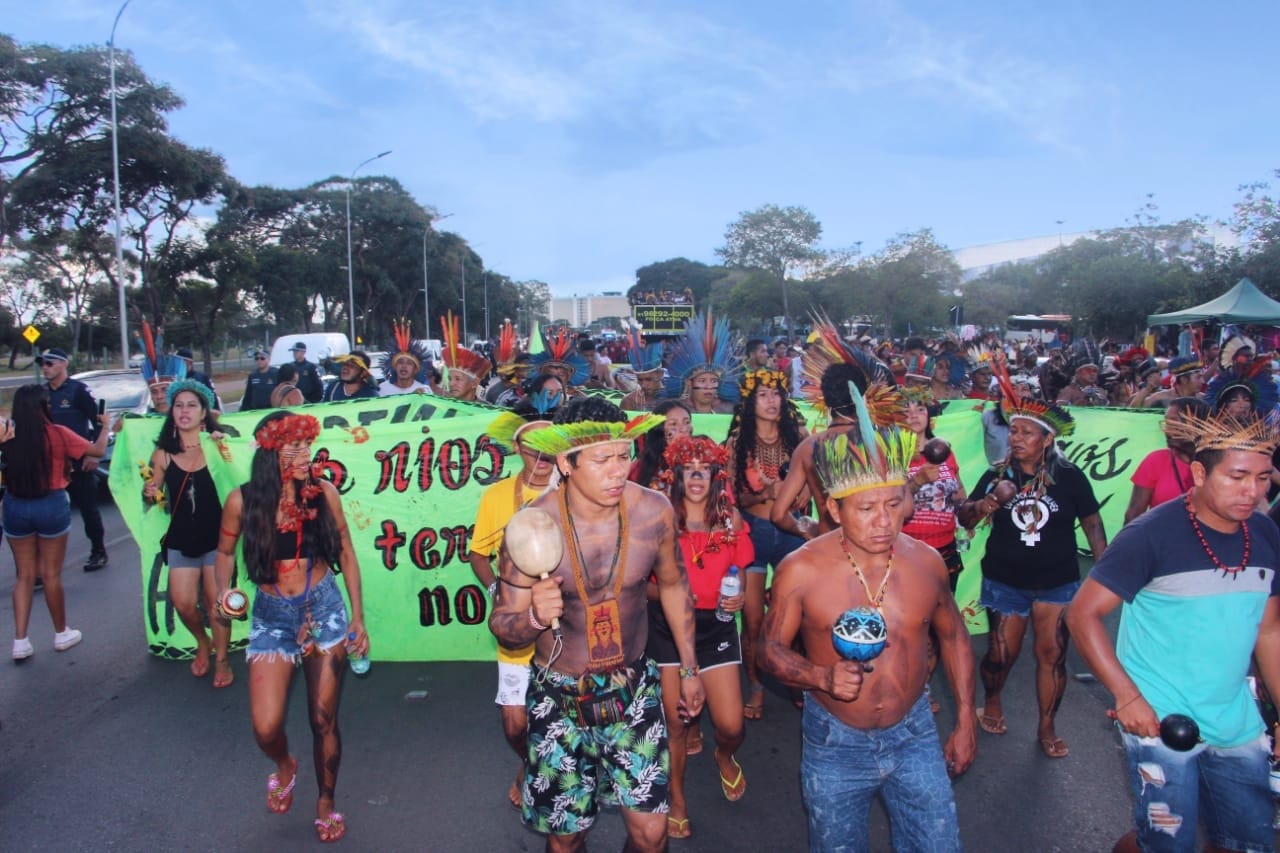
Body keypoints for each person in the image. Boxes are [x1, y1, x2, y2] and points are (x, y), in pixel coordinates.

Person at [489, 397, 705, 852]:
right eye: (602, 459)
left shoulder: (654, 512)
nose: (618, 471)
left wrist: (688, 669)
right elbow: (503, 625)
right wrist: (532, 616)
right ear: (566, 464)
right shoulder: (532, 527)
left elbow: (673, 586)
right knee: (567, 839)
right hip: (559, 695)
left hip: (634, 688)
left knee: (651, 834)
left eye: (624, 455)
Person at [1067, 409, 1280, 853]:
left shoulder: (1264, 533)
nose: (1253, 492)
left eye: (1263, 478)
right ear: (1200, 472)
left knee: (1247, 841)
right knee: (1167, 842)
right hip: (1160, 721)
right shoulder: (1149, 535)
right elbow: (1082, 615)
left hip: (1236, 720)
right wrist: (1128, 698)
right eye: (1238, 476)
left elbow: (1269, 632)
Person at [760, 424, 977, 853]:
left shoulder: (927, 563)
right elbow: (767, 650)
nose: (884, 521)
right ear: (836, 510)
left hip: (914, 733)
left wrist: (967, 717)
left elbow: (954, 639)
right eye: (866, 508)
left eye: (894, 504)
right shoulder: (801, 569)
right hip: (835, 741)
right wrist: (821, 676)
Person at [213, 412, 367, 843]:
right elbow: (224, 553)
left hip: (323, 610)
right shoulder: (241, 501)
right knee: (265, 728)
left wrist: (357, 616)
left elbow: (348, 553)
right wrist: (223, 593)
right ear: (269, 452)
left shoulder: (325, 494)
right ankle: (285, 766)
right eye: (292, 448)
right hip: (271, 616)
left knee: (323, 719)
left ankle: (325, 802)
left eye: (306, 446)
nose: (304, 455)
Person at [957, 369, 1107, 758]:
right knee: (1000, 655)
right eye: (1014, 431)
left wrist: (1103, 572)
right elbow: (965, 517)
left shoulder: (1070, 476)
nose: (1016, 438)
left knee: (1052, 655)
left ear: (1047, 439)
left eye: (1026, 432)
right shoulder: (997, 474)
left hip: (1058, 582)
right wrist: (990, 502)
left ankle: (1046, 725)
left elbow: (1091, 522)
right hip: (1006, 581)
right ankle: (991, 699)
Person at [648, 436, 754, 839]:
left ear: (715, 476)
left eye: (704, 469)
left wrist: (738, 595)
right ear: (676, 476)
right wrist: (675, 594)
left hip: (716, 628)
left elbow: (739, 572)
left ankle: (724, 754)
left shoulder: (732, 521)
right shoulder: (659, 519)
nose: (696, 475)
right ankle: (677, 799)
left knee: (731, 725)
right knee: (675, 722)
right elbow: (640, 586)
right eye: (688, 468)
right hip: (667, 628)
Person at [468, 396, 559, 809]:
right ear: (518, 451)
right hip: (516, 626)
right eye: (531, 448)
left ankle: (546, 771)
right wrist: (496, 590)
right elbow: (476, 554)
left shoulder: (573, 495)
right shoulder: (496, 496)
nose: (540, 456)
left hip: (563, 628)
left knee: (562, 714)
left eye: (548, 448)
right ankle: (531, 760)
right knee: (514, 723)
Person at [724, 368, 807, 721]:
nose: (772, 402)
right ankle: (756, 686)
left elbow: (815, 482)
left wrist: (798, 498)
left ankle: (797, 678)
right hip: (754, 532)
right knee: (754, 619)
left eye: (776, 394)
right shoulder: (737, 443)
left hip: (792, 532)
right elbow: (730, 496)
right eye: (763, 395)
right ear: (749, 401)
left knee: (800, 614)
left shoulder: (799, 437)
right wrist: (761, 494)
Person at [4, 384, 110, 659]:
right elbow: (97, 451)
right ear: (43, 407)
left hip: (15, 505)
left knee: (24, 576)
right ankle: (61, 633)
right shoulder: (58, 434)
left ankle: (20, 641)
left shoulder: (7, 435)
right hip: (51, 503)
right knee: (51, 574)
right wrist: (105, 426)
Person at [143, 379, 233, 686]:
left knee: (216, 603)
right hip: (181, 538)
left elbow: (240, 477)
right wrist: (150, 491)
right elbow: (155, 496)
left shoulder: (218, 444)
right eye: (179, 405)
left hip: (217, 539)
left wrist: (222, 444)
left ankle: (221, 659)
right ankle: (202, 641)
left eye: (191, 405)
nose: (184, 411)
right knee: (182, 602)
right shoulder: (163, 453)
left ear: (204, 411)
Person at [40, 347, 109, 572]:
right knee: (46, 513)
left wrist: (92, 454)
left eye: (50, 363)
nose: (45, 368)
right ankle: (43, 565)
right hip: (50, 464)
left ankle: (98, 551)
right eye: (42, 364)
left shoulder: (78, 391)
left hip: (78, 460)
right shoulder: (40, 394)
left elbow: (98, 422)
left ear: (64, 364)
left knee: (88, 508)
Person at [901, 388, 967, 591]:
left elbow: (960, 490)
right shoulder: (891, 454)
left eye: (920, 409)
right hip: (906, 549)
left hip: (945, 549)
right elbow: (888, 501)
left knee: (944, 615)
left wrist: (960, 501)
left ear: (928, 415)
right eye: (906, 410)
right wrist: (917, 481)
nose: (913, 415)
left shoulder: (945, 451)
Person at [1122, 397, 1209, 525]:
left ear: (1198, 425)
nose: (1167, 430)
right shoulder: (1155, 461)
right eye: (1166, 423)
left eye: (1174, 423)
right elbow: (1133, 515)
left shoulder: (1219, 464)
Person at [664, 312, 738, 415]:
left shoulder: (728, 410)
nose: (708, 386)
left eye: (713, 380)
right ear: (689, 383)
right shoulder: (676, 411)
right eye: (702, 380)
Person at [629, 399, 693, 490]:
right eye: (673, 424)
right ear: (659, 431)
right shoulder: (641, 468)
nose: (683, 429)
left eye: (687, 422)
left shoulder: (701, 462)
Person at [440, 311, 491, 402]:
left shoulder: (487, 412)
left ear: (474, 383)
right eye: (450, 379)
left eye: (458, 379)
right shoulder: (443, 408)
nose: (451, 384)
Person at [377, 321, 435, 397]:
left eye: (409, 363)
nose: (404, 366)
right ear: (395, 366)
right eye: (400, 362)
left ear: (415, 369)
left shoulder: (424, 390)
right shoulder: (382, 389)